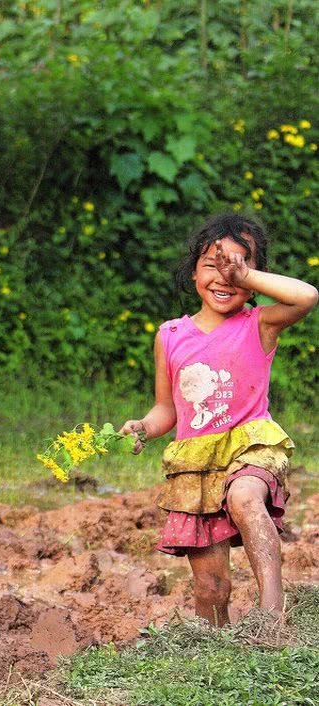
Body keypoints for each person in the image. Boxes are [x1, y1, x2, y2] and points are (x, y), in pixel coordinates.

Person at [120, 213, 317, 626]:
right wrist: (144, 427)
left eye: (238, 266)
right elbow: (166, 408)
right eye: (213, 264)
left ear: (255, 277)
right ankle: (215, 648)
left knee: (245, 497)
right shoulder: (170, 335)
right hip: (196, 465)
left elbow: (306, 296)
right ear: (194, 271)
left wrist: (246, 275)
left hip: (250, 445)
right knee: (211, 589)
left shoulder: (260, 323)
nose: (224, 276)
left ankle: (271, 617)